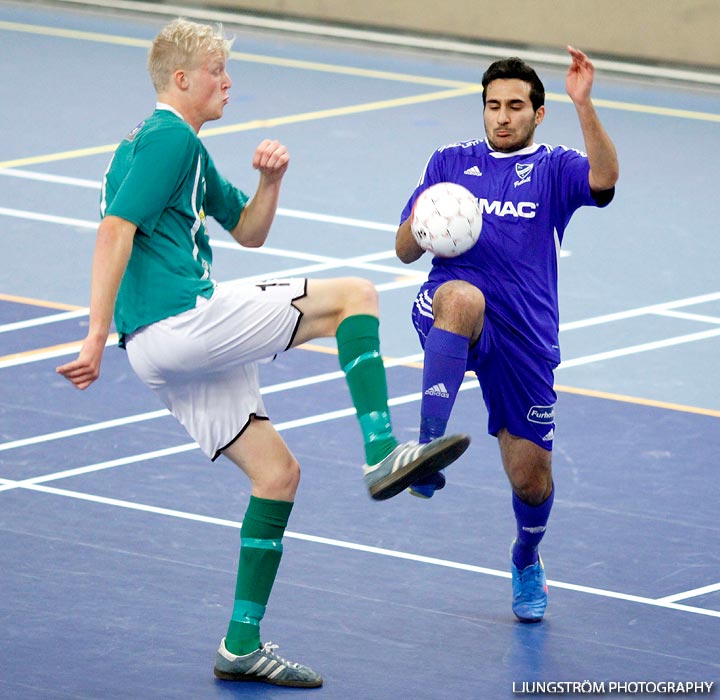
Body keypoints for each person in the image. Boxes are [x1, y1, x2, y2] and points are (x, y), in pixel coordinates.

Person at [56, 18, 470, 687]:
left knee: (277, 475)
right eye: (218, 70)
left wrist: (269, 182)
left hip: (161, 347)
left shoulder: (178, 148)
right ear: (182, 79)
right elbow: (114, 231)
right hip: (180, 320)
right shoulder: (167, 138)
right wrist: (94, 332)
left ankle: (241, 644)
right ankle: (382, 450)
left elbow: (247, 230)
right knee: (355, 296)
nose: (228, 81)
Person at [395, 47, 618, 623]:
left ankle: (526, 558)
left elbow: (606, 179)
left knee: (531, 479)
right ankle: (426, 451)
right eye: (493, 106)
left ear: (537, 114)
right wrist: (428, 221)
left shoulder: (554, 167)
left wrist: (584, 104)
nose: (501, 116)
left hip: (525, 336)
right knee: (464, 296)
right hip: (452, 307)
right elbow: (402, 251)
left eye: (515, 106)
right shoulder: (448, 161)